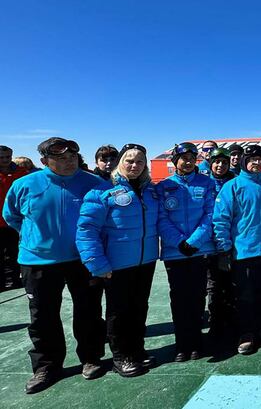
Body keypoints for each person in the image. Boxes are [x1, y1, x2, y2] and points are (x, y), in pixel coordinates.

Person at [3, 138, 106, 393]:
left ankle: (91, 358)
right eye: (60, 158)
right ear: (44, 161)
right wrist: (37, 241)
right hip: (37, 262)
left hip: (83, 260)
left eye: (72, 157)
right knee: (42, 316)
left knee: (89, 310)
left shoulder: (95, 184)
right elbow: (11, 216)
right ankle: (46, 366)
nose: (68, 161)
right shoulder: (24, 184)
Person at [77, 144, 159, 378]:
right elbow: (86, 230)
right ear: (120, 162)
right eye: (129, 160)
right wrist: (96, 263)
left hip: (145, 261)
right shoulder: (102, 192)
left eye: (140, 162)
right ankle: (121, 356)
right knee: (118, 312)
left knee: (139, 307)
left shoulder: (150, 192)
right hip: (116, 265)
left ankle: (136, 349)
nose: (134, 165)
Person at [213, 144, 261, 354]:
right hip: (243, 251)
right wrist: (224, 248)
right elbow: (221, 219)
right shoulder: (232, 186)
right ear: (245, 162)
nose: (256, 163)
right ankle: (246, 333)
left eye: (260, 159)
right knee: (245, 295)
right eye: (252, 159)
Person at [156, 142, 217, 362]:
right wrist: (180, 242)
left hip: (199, 251)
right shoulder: (163, 186)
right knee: (179, 299)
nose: (188, 162)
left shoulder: (207, 183)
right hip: (175, 253)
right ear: (175, 161)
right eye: (184, 158)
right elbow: (161, 218)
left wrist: (194, 242)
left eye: (192, 158)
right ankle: (183, 343)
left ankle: (197, 342)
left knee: (197, 297)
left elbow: (211, 215)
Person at [206, 147, 237, 338]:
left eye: (224, 162)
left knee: (232, 282)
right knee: (214, 284)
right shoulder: (205, 183)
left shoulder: (235, 182)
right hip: (210, 243)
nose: (220, 166)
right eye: (217, 162)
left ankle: (232, 317)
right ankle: (215, 320)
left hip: (232, 241)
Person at [1, 145, 29, 290]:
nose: (5, 160)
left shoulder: (22, 173)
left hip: (13, 221)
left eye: (8, 157)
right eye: (1, 157)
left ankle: (13, 280)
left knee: (13, 252)